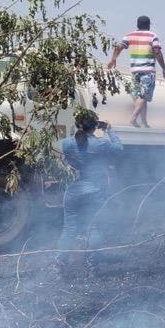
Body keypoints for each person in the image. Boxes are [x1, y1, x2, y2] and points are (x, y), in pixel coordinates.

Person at [57, 110, 122, 276]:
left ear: (78, 125)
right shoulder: (102, 144)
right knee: (95, 227)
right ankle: (92, 266)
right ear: (95, 126)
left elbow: (69, 156)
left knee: (69, 229)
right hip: (96, 191)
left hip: (73, 190)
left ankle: (59, 264)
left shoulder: (67, 144)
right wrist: (109, 129)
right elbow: (119, 148)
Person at [106, 15, 165, 127]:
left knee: (140, 96)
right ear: (149, 25)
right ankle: (133, 118)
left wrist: (113, 59)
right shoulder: (153, 36)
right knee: (144, 96)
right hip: (147, 70)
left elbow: (118, 47)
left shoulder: (129, 36)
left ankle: (144, 122)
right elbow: (157, 53)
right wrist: (164, 69)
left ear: (137, 25)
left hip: (135, 71)